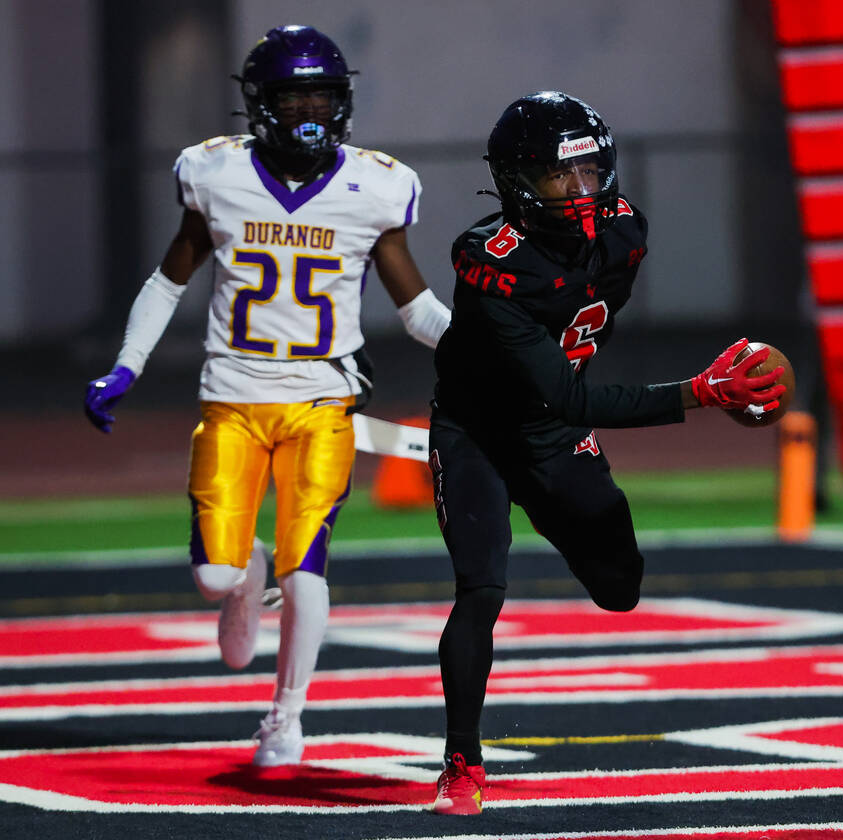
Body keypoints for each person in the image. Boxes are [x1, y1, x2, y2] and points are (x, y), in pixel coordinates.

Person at [82, 25, 450, 767]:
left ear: (343, 102)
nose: (309, 109)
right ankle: (245, 583)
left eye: (322, 94)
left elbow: (416, 310)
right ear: (260, 105)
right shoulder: (216, 174)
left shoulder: (373, 185)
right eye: (292, 96)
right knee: (215, 575)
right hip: (232, 393)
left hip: (324, 395)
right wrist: (126, 365)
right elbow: (168, 280)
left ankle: (286, 718)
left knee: (305, 564)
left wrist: (496, 353)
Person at [425, 91, 786, 815]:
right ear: (518, 182)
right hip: (481, 433)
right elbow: (574, 398)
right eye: (563, 177)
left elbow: (586, 331)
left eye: (591, 171)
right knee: (482, 590)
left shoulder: (624, 231)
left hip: (554, 432)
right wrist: (700, 391)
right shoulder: (492, 266)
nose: (583, 191)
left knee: (620, 588)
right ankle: (462, 762)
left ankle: (559, 509)